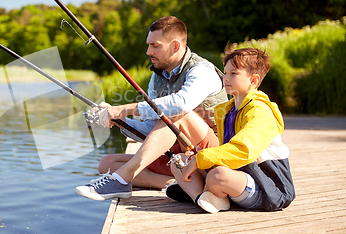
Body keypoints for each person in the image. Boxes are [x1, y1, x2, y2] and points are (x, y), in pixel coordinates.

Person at [75, 16, 227, 201]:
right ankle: (174, 184)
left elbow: (180, 104)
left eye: (155, 45)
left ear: (175, 46)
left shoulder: (202, 71)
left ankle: (122, 179)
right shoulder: (157, 78)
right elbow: (150, 129)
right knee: (107, 164)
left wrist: (124, 109)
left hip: (213, 154)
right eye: (148, 45)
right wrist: (119, 120)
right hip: (180, 157)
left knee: (176, 115)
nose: (148, 51)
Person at [167, 47, 295, 213]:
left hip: (267, 186)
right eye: (225, 73)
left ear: (254, 81)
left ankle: (210, 191)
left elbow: (243, 150)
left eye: (233, 74)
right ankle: (201, 196)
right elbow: (225, 149)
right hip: (237, 174)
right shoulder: (226, 110)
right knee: (178, 162)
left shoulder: (260, 111)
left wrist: (201, 159)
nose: (226, 79)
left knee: (217, 175)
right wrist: (197, 157)